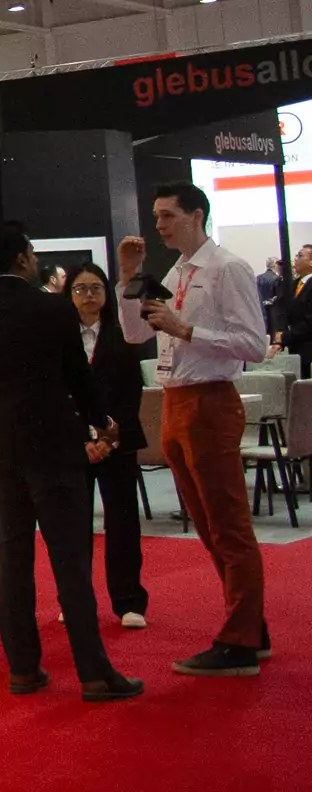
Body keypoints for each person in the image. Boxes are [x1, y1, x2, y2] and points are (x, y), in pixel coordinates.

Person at [0, 221, 142, 702]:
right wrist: (102, 422)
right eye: (33, 254)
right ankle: (94, 672)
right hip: (53, 444)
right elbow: (77, 376)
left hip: (0, 446)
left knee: (13, 555)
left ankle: (22, 668)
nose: (36, 261)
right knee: (69, 558)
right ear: (21, 258)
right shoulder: (52, 309)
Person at [118, 182, 271, 677]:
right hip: (176, 400)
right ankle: (249, 626)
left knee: (227, 524)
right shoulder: (176, 272)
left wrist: (185, 329)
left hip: (210, 400)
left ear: (196, 214)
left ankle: (241, 641)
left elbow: (254, 345)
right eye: (157, 216)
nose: (158, 225)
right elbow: (135, 333)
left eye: (168, 215)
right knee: (207, 525)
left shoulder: (228, 268)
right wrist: (128, 278)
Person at [66, 263, 150, 629]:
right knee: (73, 525)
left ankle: (129, 601)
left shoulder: (124, 334)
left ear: (106, 293)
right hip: (73, 444)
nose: (88, 295)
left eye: (95, 288)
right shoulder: (59, 337)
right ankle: (75, 601)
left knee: (123, 522)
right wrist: (84, 439)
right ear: (69, 294)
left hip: (117, 441)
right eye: (80, 288)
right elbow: (58, 392)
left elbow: (132, 392)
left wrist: (108, 437)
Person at [274, 243, 312, 377]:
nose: (295, 259)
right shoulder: (294, 284)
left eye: (300, 256)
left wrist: (287, 336)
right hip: (295, 350)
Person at [258, 257, 283, 333]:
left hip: (260, 311)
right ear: (275, 265)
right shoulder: (277, 279)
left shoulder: (258, 278)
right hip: (274, 313)